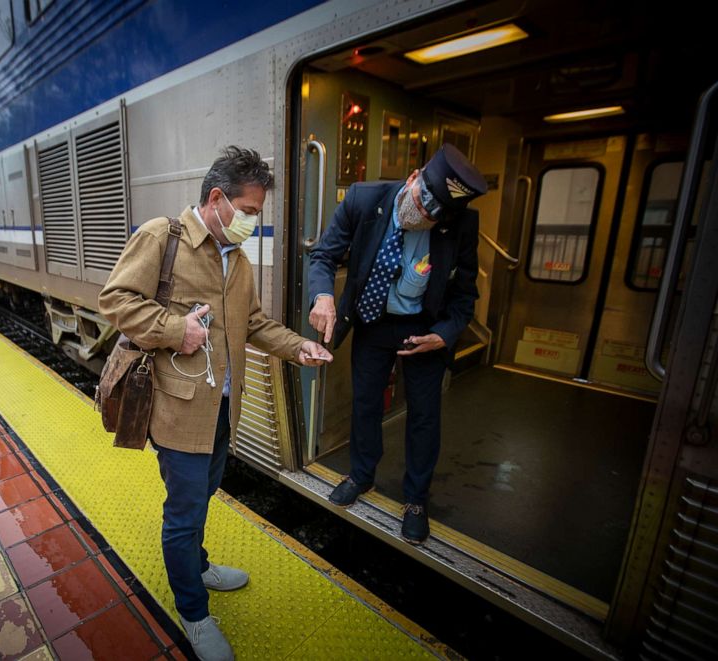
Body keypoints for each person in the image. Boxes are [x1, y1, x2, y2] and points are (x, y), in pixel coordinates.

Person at [99, 146, 332, 661]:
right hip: (179, 409)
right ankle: (194, 612)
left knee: (204, 497)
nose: (253, 221)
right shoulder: (164, 238)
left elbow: (252, 324)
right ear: (217, 198)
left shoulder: (239, 261)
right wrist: (173, 329)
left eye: (257, 214)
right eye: (248, 211)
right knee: (183, 512)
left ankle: (197, 565)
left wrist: (299, 347)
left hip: (223, 408)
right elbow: (115, 300)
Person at [307, 143, 486, 545]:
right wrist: (323, 296)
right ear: (413, 177)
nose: (423, 214)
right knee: (365, 402)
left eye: (435, 212)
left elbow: (464, 295)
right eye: (423, 200)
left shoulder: (461, 225)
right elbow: (323, 255)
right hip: (372, 322)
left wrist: (444, 334)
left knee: (424, 415)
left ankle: (416, 500)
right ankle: (361, 474)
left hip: (423, 330)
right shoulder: (363, 198)